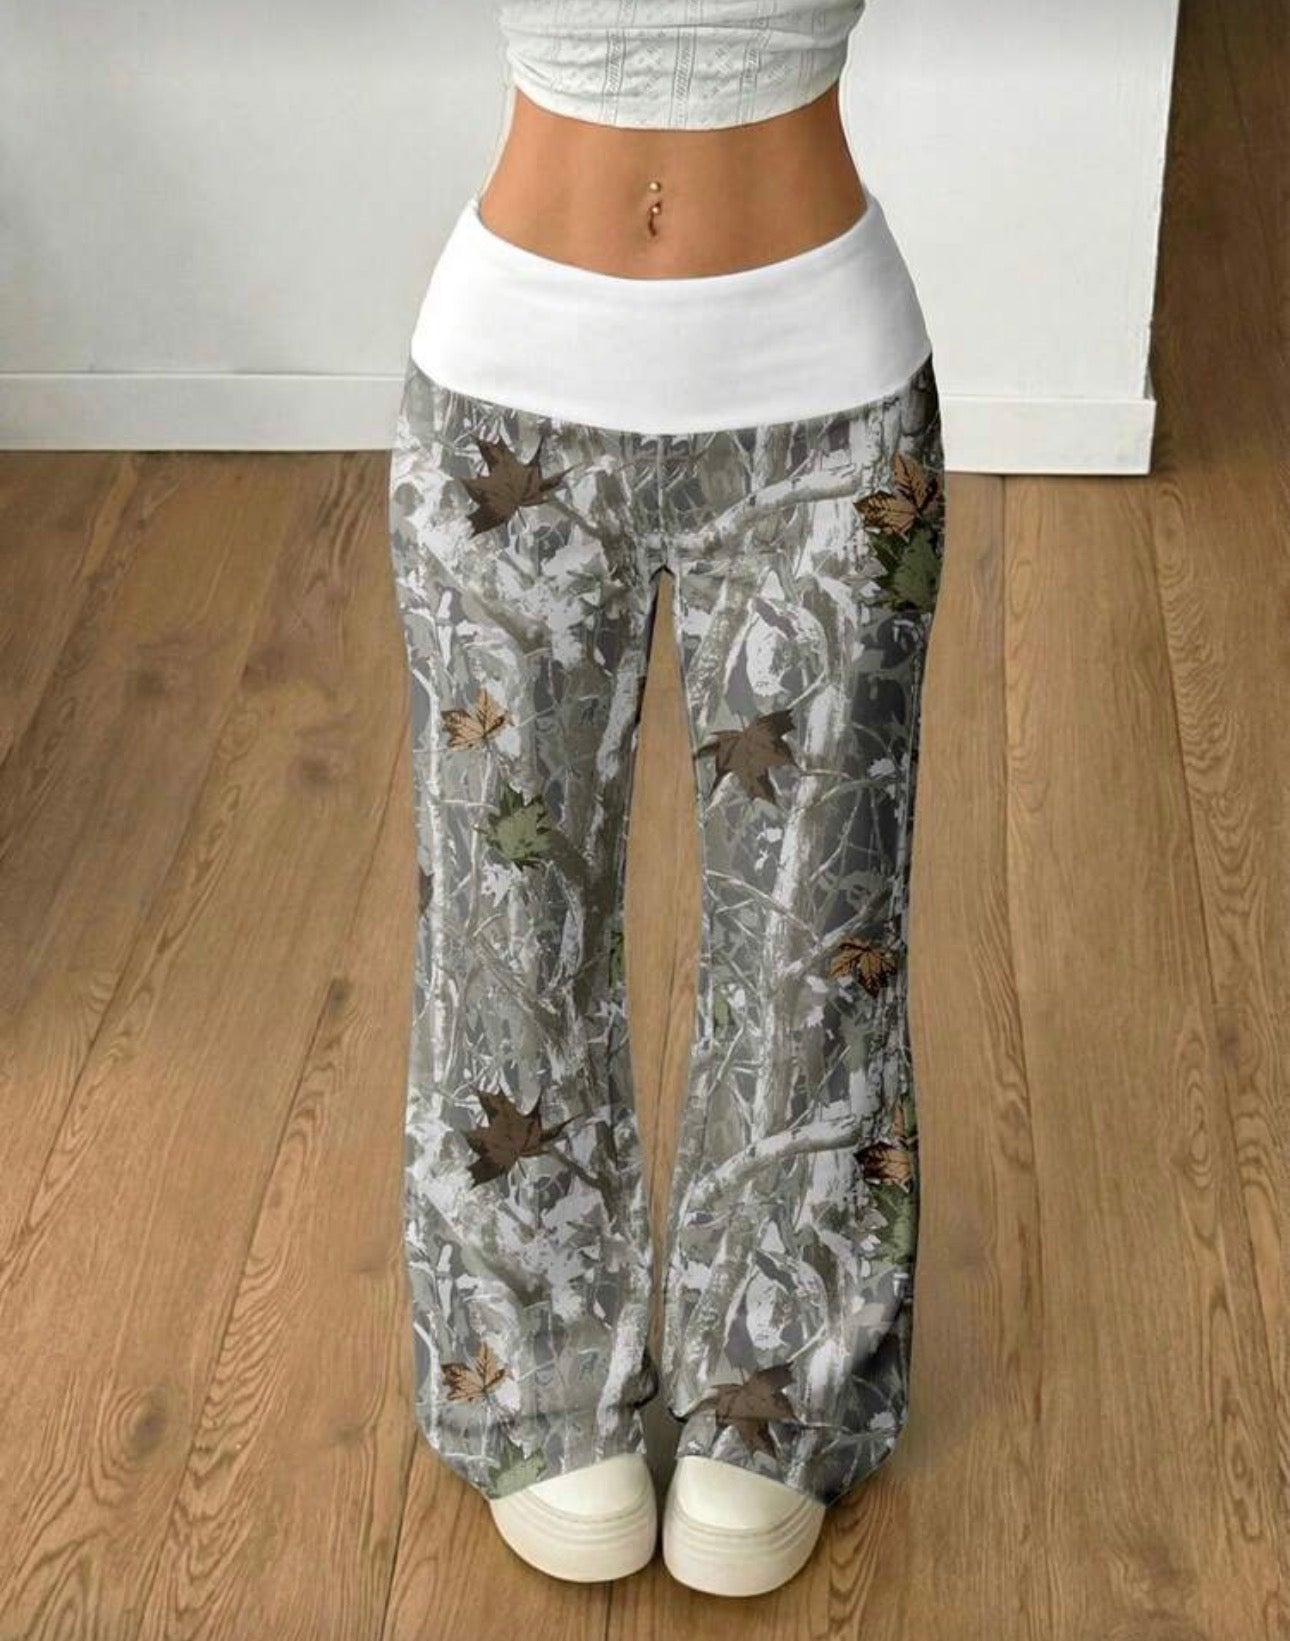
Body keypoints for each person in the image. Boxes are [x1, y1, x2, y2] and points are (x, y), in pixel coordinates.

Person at [386, 0, 946, 1599]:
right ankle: (531, 1367)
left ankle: (780, 1378)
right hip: (504, 396)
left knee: (816, 929)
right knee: (508, 914)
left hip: (826, 406)